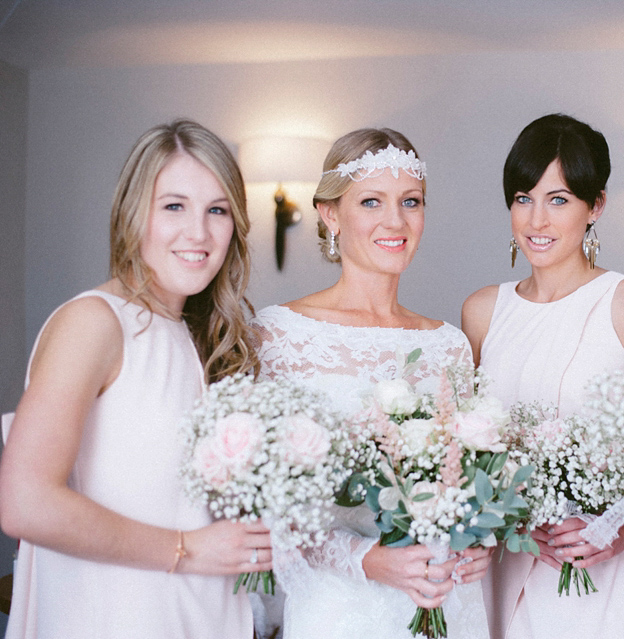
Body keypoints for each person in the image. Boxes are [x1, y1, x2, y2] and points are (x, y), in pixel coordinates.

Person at [0, 119, 269, 639]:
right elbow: (24, 502)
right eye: (174, 206)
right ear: (133, 212)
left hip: (201, 617)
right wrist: (187, 551)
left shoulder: (195, 337)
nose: (199, 232)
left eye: (217, 210)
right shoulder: (95, 322)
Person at [251, 128, 493, 639]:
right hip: (338, 608)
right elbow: (264, 505)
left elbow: (466, 478)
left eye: (411, 201)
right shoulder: (278, 335)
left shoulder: (449, 343)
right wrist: (365, 559)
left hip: (447, 603)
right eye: (371, 201)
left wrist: (479, 543)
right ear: (330, 214)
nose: (395, 221)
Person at [462, 113, 624, 639]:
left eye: (558, 200)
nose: (536, 220)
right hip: (499, 562)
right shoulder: (483, 311)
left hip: (589, 571)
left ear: (594, 205)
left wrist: (622, 529)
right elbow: (464, 453)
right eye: (522, 198)